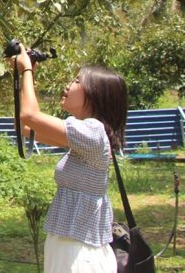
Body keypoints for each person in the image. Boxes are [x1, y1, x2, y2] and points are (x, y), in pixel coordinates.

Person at [11, 44, 129, 273]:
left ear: (95, 94)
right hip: (69, 249)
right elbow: (24, 126)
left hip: (80, 256)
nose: (69, 85)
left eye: (77, 81)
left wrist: (26, 71)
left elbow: (30, 116)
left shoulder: (93, 133)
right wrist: (23, 77)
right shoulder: (85, 137)